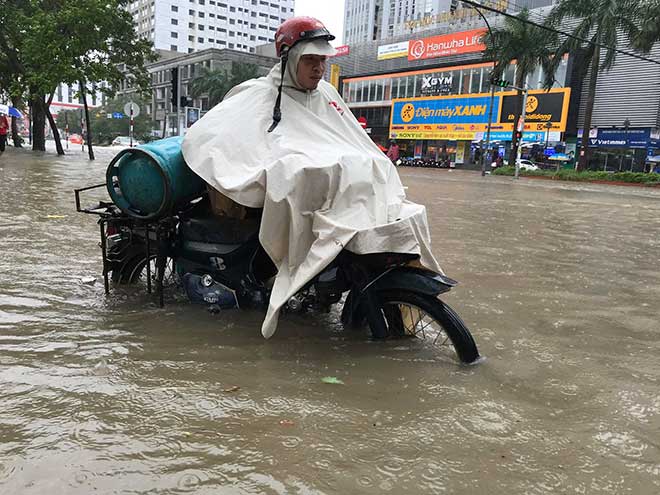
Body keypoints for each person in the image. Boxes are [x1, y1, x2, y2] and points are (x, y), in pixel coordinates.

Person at [182, 17, 441, 339]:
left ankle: (329, 274)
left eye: (322, 61)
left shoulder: (327, 95)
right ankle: (283, 275)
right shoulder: (257, 95)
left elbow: (352, 141)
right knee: (291, 177)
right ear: (288, 58)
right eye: (310, 60)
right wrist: (283, 163)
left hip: (336, 191)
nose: (318, 69)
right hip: (281, 190)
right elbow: (222, 140)